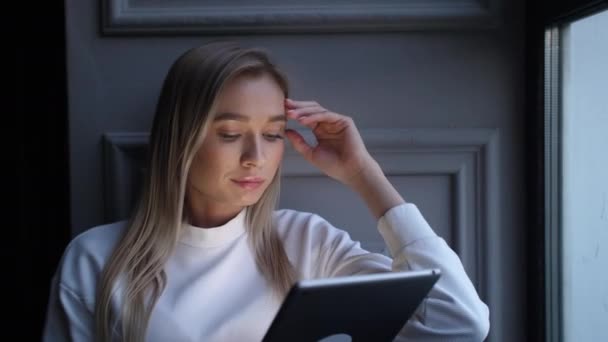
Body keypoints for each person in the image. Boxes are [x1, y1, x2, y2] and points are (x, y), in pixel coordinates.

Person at [42, 41, 490, 342]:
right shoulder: (96, 260)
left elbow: (461, 322)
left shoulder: (306, 242)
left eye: (274, 134)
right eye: (231, 133)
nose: (256, 156)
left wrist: (363, 173)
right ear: (182, 138)